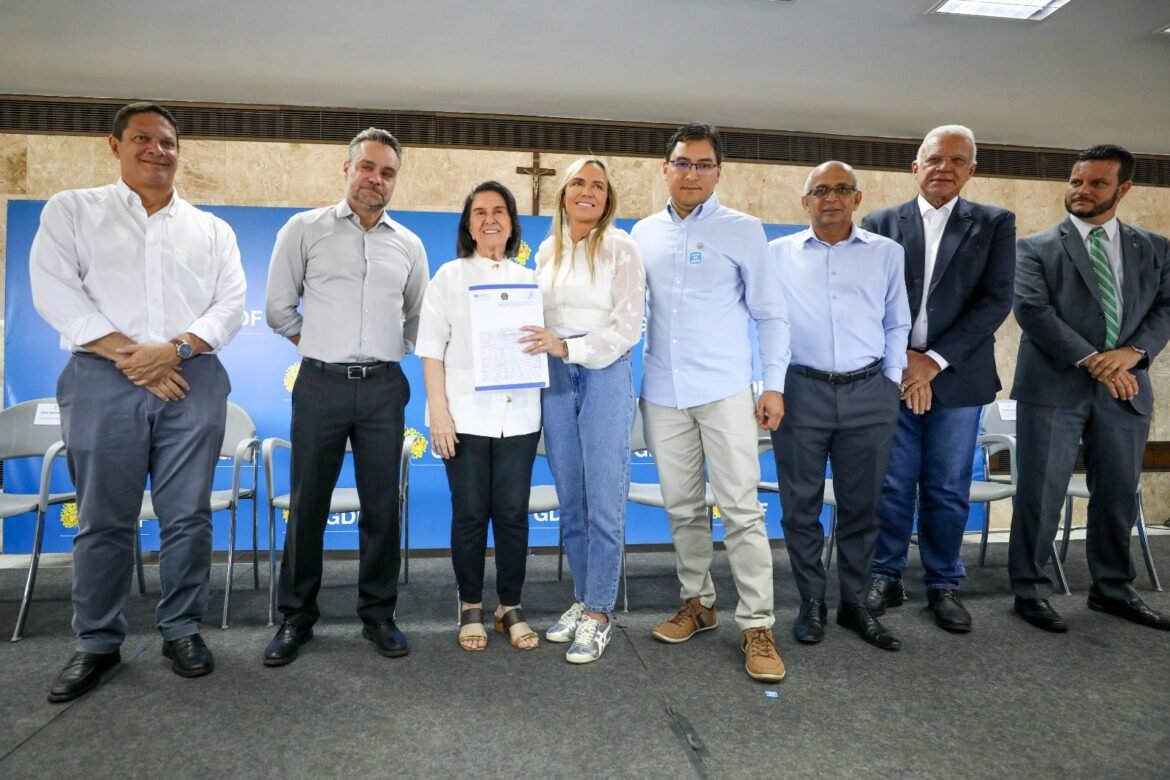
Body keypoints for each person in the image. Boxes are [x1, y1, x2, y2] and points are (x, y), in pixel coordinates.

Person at [30, 102, 246, 702]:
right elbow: (54, 291)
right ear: (115, 145)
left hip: (192, 377)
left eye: (168, 141)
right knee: (103, 518)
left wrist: (172, 351)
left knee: (188, 516)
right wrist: (136, 359)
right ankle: (97, 641)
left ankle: (182, 630)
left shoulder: (211, 230)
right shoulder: (73, 210)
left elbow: (230, 305)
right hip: (101, 377)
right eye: (143, 138)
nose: (158, 150)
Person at [263, 127, 428, 665]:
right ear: (347, 169)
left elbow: (417, 316)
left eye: (387, 172)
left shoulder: (409, 244)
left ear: (395, 181)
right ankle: (296, 617)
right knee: (308, 504)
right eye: (367, 167)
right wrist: (320, 346)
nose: (376, 179)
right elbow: (278, 308)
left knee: (382, 506)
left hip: (383, 389)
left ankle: (379, 614)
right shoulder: (304, 229)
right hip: (320, 385)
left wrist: (387, 353)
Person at [631, 123, 788, 683]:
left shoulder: (743, 231)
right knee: (682, 508)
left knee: (741, 510)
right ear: (665, 169)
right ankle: (697, 603)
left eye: (703, 164)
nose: (691, 173)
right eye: (682, 162)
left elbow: (771, 313)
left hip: (725, 391)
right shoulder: (641, 234)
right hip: (662, 393)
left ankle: (757, 624)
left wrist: (774, 385)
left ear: (718, 172)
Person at [1009, 144, 1170, 633]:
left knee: (1118, 494)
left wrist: (1134, 353)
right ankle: (1030, 592)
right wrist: (1098, 361)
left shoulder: (1155, 248)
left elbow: (1165, 308)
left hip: (1126, 388)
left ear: (1124, 188)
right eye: (1076, 181)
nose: (1082, 190)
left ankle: (1112, 590)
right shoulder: (1034, 247)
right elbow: (1033, 311)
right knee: (1041, 494)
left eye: (1097, 183)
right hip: (1053, 387)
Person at [862, 125, 1016, 633]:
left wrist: (933, 362)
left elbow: (994, 301)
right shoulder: (880, 223)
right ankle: (885, 575)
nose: (944, 167)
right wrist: (906, 360)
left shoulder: (994, 223)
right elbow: (868, 299)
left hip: (959, 378)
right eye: (934, 158)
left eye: (957, 160)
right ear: (915, 167)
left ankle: (944, 584)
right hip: (894, 375)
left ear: (971, 170)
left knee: (948, 486)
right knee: (892, 484)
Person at [770, 161, 910, 651]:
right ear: (805, 201)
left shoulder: (886, 253)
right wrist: (768, 384)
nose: (831, 197)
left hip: (869, 392)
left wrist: (891, 383)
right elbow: (765, 322)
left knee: (863, 506)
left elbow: (897, 321)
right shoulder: (776, 254)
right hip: (800, 391)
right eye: (820, 190)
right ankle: (811, 601)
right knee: (800, 507)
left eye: (842, 189)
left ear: (857, 198)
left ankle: (855, 603)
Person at [520, 157, 645, 664]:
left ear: (607, 196)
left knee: (604, 502)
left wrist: (570, 348)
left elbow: (627, 327)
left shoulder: (622, 246)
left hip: (605, 373)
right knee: (571, 500)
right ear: (564, 193)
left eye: (597, 185)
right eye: (578, 183)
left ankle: (599, 613)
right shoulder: (547, 250)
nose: (587, 191)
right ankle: (582, 598)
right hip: (553, 375)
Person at [416, 181, 541, 651]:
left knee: (512, 515)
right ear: (468, 225)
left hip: (520, 416)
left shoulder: (531, 280)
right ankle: (470, 605)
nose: (490, 219)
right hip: (463, 417)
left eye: (499, 211)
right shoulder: (448, 277)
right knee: (470, 514)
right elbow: (431, 350)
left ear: (512, 224)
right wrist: (439, 414)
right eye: (480, 212)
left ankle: (510, 605)